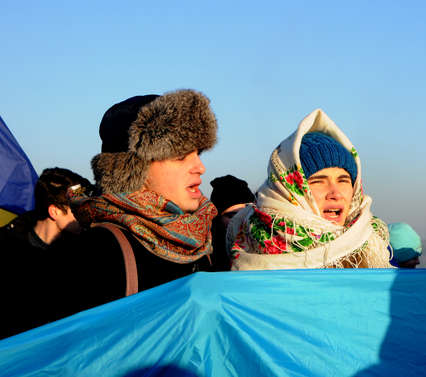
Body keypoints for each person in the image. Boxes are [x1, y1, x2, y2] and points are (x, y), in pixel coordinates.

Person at [64, 89, 218, 315]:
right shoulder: (98, 252)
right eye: (180, 156)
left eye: (198, 154)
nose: (199, 167)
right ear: (134, 169)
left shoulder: (203, 238)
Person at [227, 108, 392, 270]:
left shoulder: (370, 241)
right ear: (289, 189)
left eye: (343, 180)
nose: (336, 194)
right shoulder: (253, 241)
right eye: (319, 181)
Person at [1, 167, 93, 339]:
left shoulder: (84, 254)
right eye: (78, 210)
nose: (87, 216)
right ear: (54, 211)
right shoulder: (7, 251)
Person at [210, 175, 255, 270]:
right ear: (217, 219)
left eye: (245, 213)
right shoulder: (205, 255)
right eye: (232, 216)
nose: (240, 220)